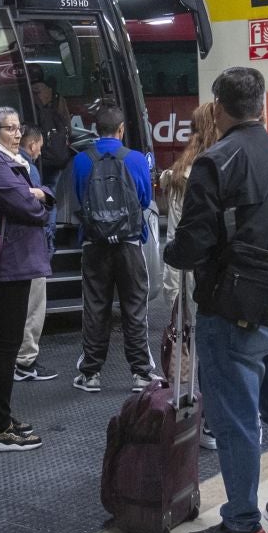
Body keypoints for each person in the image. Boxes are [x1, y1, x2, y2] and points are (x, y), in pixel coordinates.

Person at [164, 66, 268, 533]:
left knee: (235, 419)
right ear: (260, 106)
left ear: (219, 106)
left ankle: (242, 526)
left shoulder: (217, 162)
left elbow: (193, 245)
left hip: (234, 311)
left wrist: (173, 253)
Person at [0, 107, 51, 451]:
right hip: (7, 266)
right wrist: (37, 197)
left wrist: (36, 194)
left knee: (8, 343)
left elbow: (31, 198)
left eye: (19, 128)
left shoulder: (3, 163)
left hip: (12, 264)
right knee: (6, 346)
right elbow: (29, 207)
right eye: (10, 128)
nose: (18, 134)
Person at [69, 104, 159, 392]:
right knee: (134, 307)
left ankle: (91, 374)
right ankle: (141, 374)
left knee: (96, 307)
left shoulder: (81, 161)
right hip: (130, 244)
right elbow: (144, 200)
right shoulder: (135, 159)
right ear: (122, 129)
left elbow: (77, 200)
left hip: (94, 244)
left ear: (96, 129)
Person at [160, 101, 221, 450]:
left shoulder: (180, 169)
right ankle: (210, 421)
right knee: (209, 346)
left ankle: (189, 410)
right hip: (203, 273)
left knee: (190, 343)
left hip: (180, 271)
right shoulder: (211, 169)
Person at [12, 127, 60, 385]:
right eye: (39, 146)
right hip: (31, 250)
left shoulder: (4, 165)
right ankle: (25, 362)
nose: (40, 151)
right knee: (34, 307)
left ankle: (17, 358)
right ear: (31, 145)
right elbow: (40, 212)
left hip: (15, 252)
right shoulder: (28, 169)